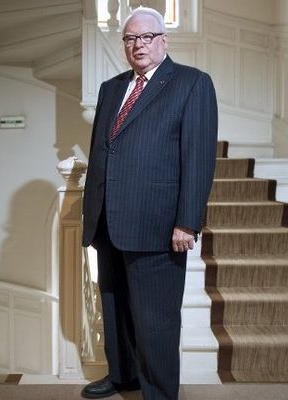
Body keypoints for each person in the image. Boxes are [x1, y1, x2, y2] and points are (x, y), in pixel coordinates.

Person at [81, 6, 218, 400]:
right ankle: (123, 375)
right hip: (108, 221)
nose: (137, 45)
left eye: (145, 37)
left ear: (163, 40)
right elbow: (103, 152)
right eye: (129, 38)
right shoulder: (111, 88)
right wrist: (94, 213)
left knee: (156, 321)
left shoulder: (192, 84)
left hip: (158, 224)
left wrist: (187, 222)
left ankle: (159, 393)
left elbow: (198, 157)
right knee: (116, 308)